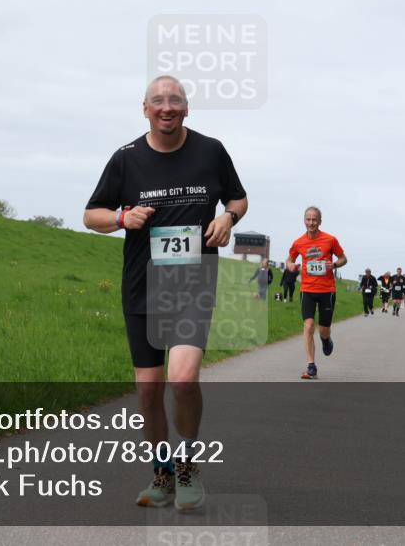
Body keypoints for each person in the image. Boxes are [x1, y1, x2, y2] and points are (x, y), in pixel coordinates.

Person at [84, 75, 248, 510]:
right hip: (142, 288)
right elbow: (90, 215)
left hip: (194, 284)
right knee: (149, 389)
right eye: (158, 101)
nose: (167, 107)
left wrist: (229, 218)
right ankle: (162, 473)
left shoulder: (211, 151)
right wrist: (121, 220)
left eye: (175, 100)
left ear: (186, 109)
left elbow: (238, 198)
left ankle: (189, 463)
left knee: (183, 377)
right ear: (145, 109)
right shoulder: (126, 159)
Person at [287, 206, 348, 379]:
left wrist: (334, 265)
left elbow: (344, 258)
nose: (311, 222)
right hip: (307, 289)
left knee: (323, 330)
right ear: (304, 221)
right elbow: (290, 259)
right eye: (308, 219)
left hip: (327, 290)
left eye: (314, 219)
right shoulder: (298, 242)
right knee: (308, 326)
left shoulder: (330, 240)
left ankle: (326, 339)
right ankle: (311, 365)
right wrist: (290, 265)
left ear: (320, 221)